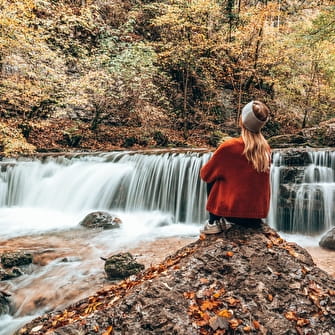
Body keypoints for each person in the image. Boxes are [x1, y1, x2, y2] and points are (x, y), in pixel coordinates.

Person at [200, 100, 271, 234]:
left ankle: (214, 222)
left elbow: (205, 175)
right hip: (256, 216)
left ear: (242, 121)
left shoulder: (229, 147)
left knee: (214, 176)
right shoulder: (265, 148)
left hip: (232, 214)